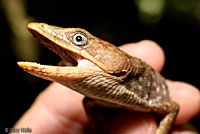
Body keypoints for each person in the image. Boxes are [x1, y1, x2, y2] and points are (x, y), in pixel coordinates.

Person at [12, 40, 200, 134]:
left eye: (79, 39)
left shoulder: (149, 96)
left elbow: (173, 108)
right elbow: (89, 103)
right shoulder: (91, 101)